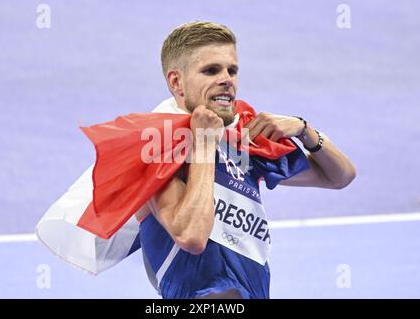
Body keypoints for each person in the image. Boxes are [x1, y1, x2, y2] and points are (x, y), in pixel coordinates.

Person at [137, 21, 356, 299]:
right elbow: (191, 236)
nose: (227, 79)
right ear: (176, 82)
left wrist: (304, 129)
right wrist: (205, 144)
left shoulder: (240, 138)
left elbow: (339, 176)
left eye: (232, 70)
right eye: (211, 70)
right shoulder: (157, 146)